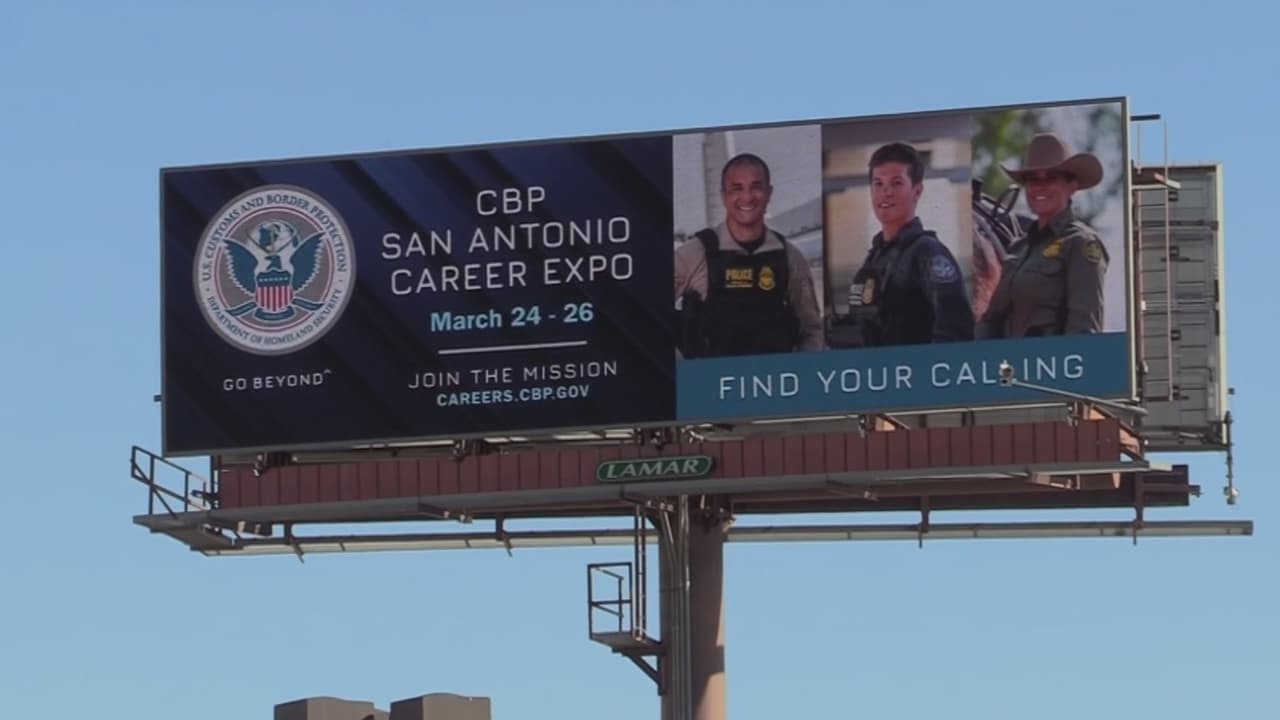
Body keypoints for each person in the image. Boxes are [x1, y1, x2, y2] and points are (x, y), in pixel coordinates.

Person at [674, 152, 824, 358]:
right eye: (737, 188)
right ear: (724, 195)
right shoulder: (693, 255)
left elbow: (811, 330)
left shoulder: (789, 257)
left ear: (769, 193)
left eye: (756, 187)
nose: (747, 197)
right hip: (710, 385)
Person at [828, 142, 974, 349]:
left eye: (896, 183)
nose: (885, 192)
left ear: (917, 191)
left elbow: (956, 331)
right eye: (878, 184)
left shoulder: (928, 253)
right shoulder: (876, 256)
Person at [976, 133, 1108, 338]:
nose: (1039, 186)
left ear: (1071, 186)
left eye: (1050, 177)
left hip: (1053, 365)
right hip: (1008, 366)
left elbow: (1084, 329)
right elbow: (992, 320)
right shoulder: (1018, 248)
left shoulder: (1081, 243)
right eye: (1032, 179)